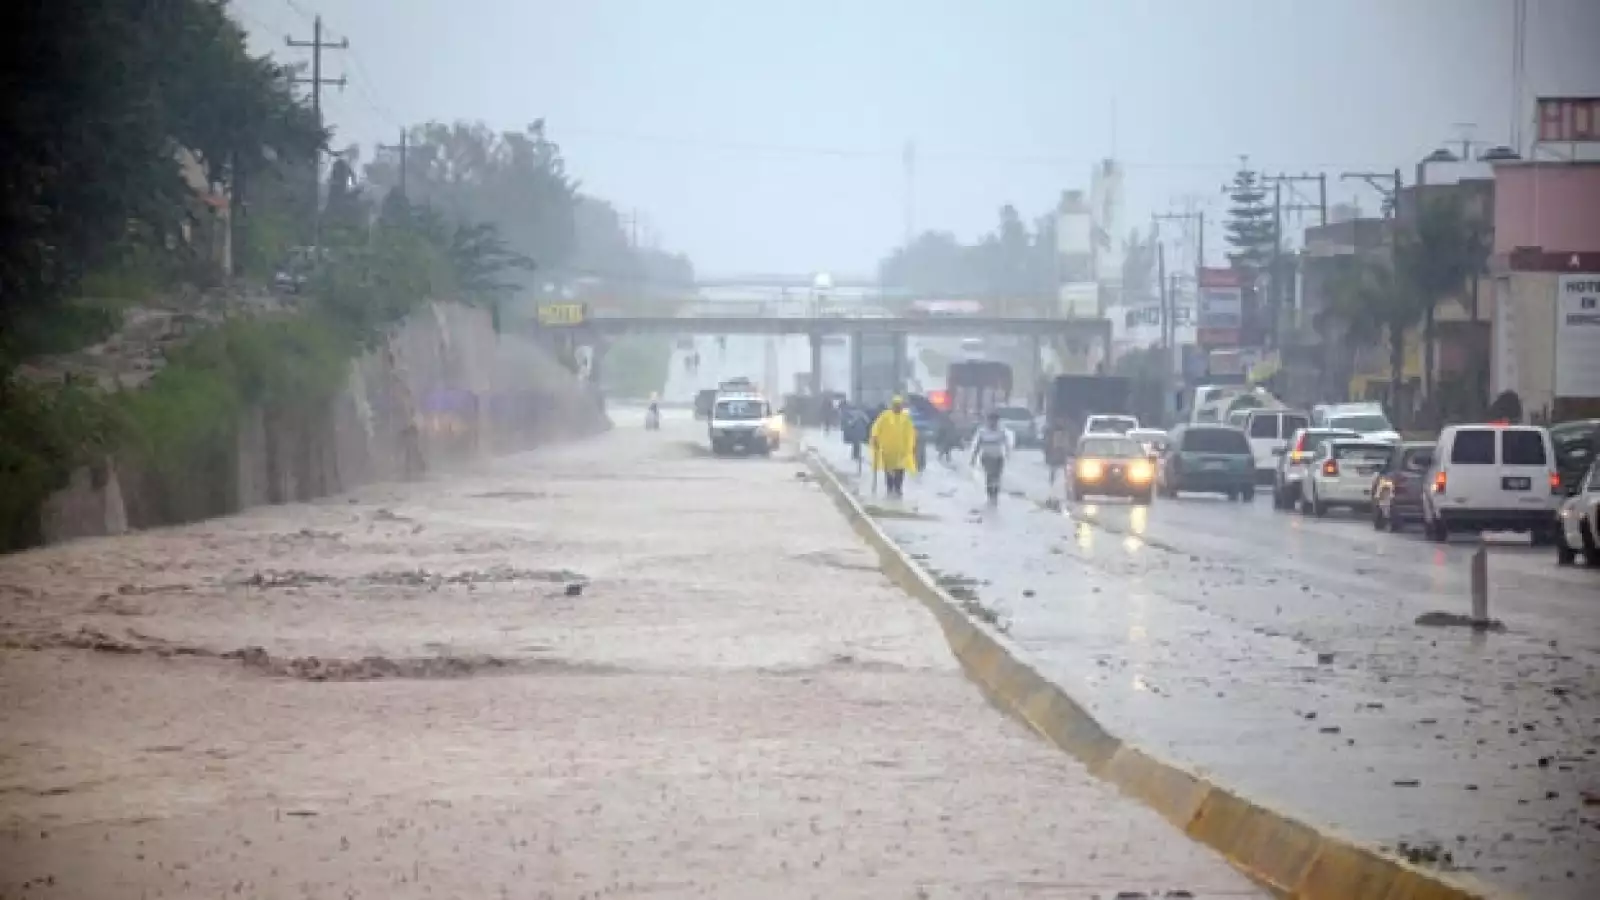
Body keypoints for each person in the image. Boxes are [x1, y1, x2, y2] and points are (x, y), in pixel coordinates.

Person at [869, 396, 919, 497]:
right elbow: (876, 427)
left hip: (901, 451)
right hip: (888, 450)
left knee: (900, 471)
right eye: (896, 405)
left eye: (899, 405)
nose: (897, 407)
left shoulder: (905, 418)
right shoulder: (885, 416)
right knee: (889, 471)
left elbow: (910, 432)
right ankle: (890, 488)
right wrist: (875, 438)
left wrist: (911, 445)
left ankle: (898, 488)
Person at [969, 411, 1011, 502]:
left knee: (997, 476)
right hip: (987, 457)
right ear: (988, 421)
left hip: (998, 457)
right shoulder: (982, 431)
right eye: (991, 420)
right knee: (990, 475)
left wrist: (1007, 453)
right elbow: (978, 445)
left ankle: (995, 493)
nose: (993, 423)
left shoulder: (1001, 431)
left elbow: (1006, 443)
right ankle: (990, 493)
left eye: (995, 421)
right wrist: (973, 457)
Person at [1043, 423, 1071, 494]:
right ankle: (1060, 484)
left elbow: (1065, 446)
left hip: (1057, 455)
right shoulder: (1063, 435)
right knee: (1060, 470)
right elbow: (1066, 446)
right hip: (1058, 455)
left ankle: (1053, 483)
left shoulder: (1057, 435)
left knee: (1056, 470)